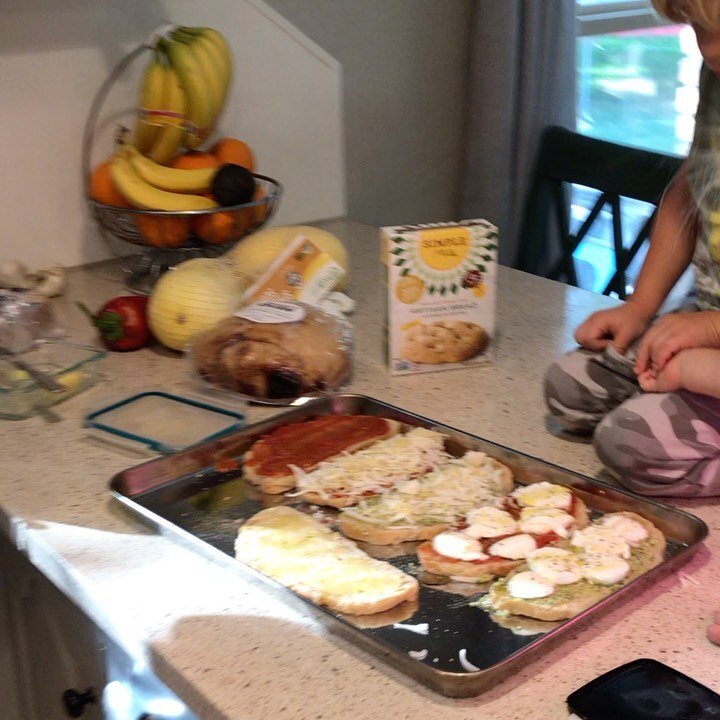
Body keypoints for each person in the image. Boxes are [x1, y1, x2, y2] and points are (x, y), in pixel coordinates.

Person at [545, 0, 720, 646]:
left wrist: (708, 340)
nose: (706, 52)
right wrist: (643, 308)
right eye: (698, 32)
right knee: (569, 387)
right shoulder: (718, 77)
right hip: (706, 323)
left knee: (630, 444)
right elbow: (689, 191)